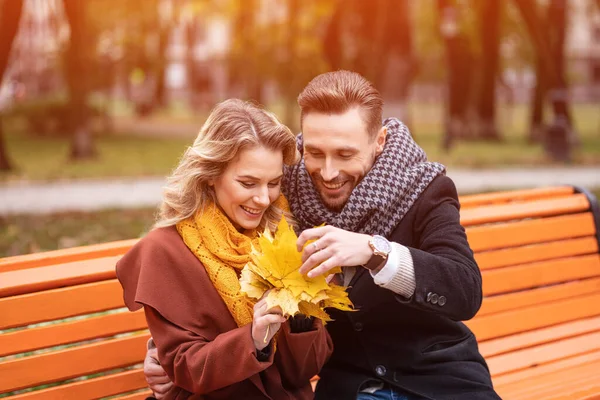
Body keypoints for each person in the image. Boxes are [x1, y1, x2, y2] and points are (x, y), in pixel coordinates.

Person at [144, 71, 501, 400]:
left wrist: (376, 251)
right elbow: (219, 260)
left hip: (441, 381)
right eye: (315, 153)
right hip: (351, 385)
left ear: (379, 141)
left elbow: (465, 291)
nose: (328, 173)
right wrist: (159, 349)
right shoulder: (285, 199)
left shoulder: (423, 191)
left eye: (345, 154)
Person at [116, 99, 333, 400]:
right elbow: (184, 370)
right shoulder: (164, 251)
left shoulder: (282, 236)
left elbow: (302, 371)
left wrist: (303, 316)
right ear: (210, 174)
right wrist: (254, 339)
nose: (263, 199)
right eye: (247, 183)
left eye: (273, 183)